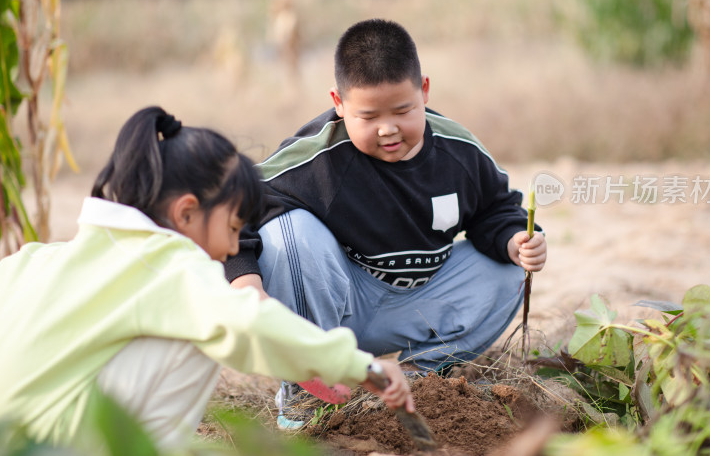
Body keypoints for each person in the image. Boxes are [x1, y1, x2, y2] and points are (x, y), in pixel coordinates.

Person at [0, 106, 412, 450]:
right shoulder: (167, 266)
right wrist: (361, 366)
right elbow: (246, 323)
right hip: (40, 448)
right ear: (187, 211)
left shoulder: (40, 260)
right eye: (233, 228)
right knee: (199, 333)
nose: (233, 249)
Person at [226, 19, 547, 378]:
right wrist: (246, 284)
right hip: (336, 305)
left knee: (508, 270)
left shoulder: (459, 152)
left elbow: (497, 209)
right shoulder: (318, 158)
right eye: (368, 115)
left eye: (402, 111)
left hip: (417, 303)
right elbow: (234, 207)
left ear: (424, 91)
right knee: (289, 230)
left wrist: (516, 241)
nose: (388, 128)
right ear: (339, 103)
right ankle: (310, 388)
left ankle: (421, 382)